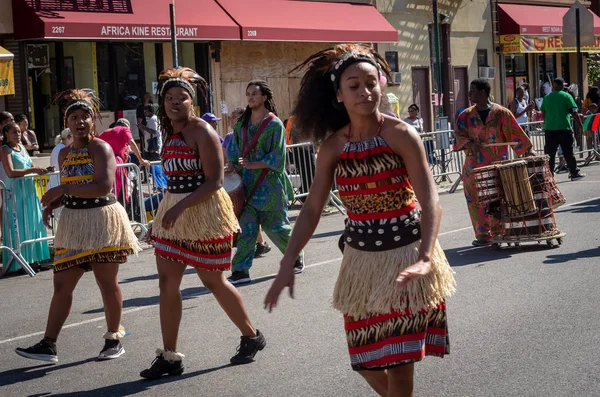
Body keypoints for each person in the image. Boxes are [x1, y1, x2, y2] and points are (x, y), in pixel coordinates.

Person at [264, 44, 456, 397]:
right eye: (354, 85)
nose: (365, 92)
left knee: (399, 365)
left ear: (382, 85)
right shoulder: (332, 147)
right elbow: (311, 209)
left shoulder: (400, 134)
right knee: (365, 361)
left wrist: (426, 257)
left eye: (371, 83)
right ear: (339, 95)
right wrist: (287, 262)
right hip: (361, 264)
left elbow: (430, 198)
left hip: (406, 258)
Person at [140, 67, 266, 380]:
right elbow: (173, 180)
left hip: (204, 212)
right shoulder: (169, 132)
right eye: (169, 97)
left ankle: (252, 335)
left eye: (181, 97)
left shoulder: (203, 132)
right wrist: (163, 213)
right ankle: (170, 356)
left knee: (213, 281)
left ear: (191, 102)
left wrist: (179, 207)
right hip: (174, 211)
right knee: (167, 284)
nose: (174, 102)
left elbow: (215, 181)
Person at [15, 89, 139, 363]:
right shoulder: (64, 153)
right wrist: (53, 205)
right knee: (61, 285)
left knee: (106, 283)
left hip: (101, 220)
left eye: (85, 117)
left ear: (93, 121)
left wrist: (63, 190)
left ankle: (113, 339)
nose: (79, 122)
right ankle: (49, 344)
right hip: (73, 222)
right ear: (66, 122)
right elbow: (72, 191)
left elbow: (103, 186)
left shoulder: (100, 147)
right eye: (74, 117)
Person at [226, 80, 303, 286]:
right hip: (247, 186)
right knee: (247, 230)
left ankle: (295, 256)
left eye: (254, 94)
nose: (250, 97)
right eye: (248, 93)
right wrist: (232, 165)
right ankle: (241, 271)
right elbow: (233, 148)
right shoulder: (241, 124)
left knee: (277, 229)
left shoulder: (274, 124)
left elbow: (278, 156)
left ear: (264, 98)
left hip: (270, 186)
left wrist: (255, 164)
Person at [455, 78, 536, 246]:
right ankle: (483, 234)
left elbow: (515, 134)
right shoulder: (465, 116)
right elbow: (459, 136)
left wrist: (529, 152)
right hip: (473, 167)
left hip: (498, 166)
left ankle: (500, 231)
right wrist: (469, 144)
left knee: (499, 198)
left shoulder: (501, 113)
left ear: (483, 92)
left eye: (472, 91)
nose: (469, 94)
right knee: (475, 200)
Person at [0, 122, 50, 272]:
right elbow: (10, 172)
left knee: (33, 222)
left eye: (19, 132)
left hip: (28, 189)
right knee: (19, 224)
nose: (18, 135)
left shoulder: (22, 148)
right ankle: (19, 261)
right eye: (14, 132)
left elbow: (30, 164)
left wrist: (43, 169)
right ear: (7, 134)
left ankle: (35, 258)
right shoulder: (5, 149)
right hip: (16, 192)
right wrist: (33, 170)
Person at [223, 107, 271, 258]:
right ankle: (256, 247)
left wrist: (248, 165)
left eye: (235, 118)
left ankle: (260, 244)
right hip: (238, 178)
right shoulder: (230, 136)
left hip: (252, 180)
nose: (232, 121)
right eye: (231, 118)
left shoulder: (251, 134)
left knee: (251, 216)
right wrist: (229, 167)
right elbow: (229, 158)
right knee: (244, 216)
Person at [541, 77, 586, 181]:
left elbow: (543, 113)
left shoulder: (546, 97)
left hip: (550, 129)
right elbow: (574, 112)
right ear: (561, 86)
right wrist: (580, 126)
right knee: (568, 153)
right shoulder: (567, 96)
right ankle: (574, 173)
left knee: (550, 154)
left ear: (554, 85)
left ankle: (550, 175)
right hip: (564, 128)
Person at [98, 118, 150, 203]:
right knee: (117, 194)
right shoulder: (124, 129)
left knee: (107, 192)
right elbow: (131, 142)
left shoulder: (105, 132)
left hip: (104, 163)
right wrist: (141, 160)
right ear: (127, 127)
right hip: (117, 163)